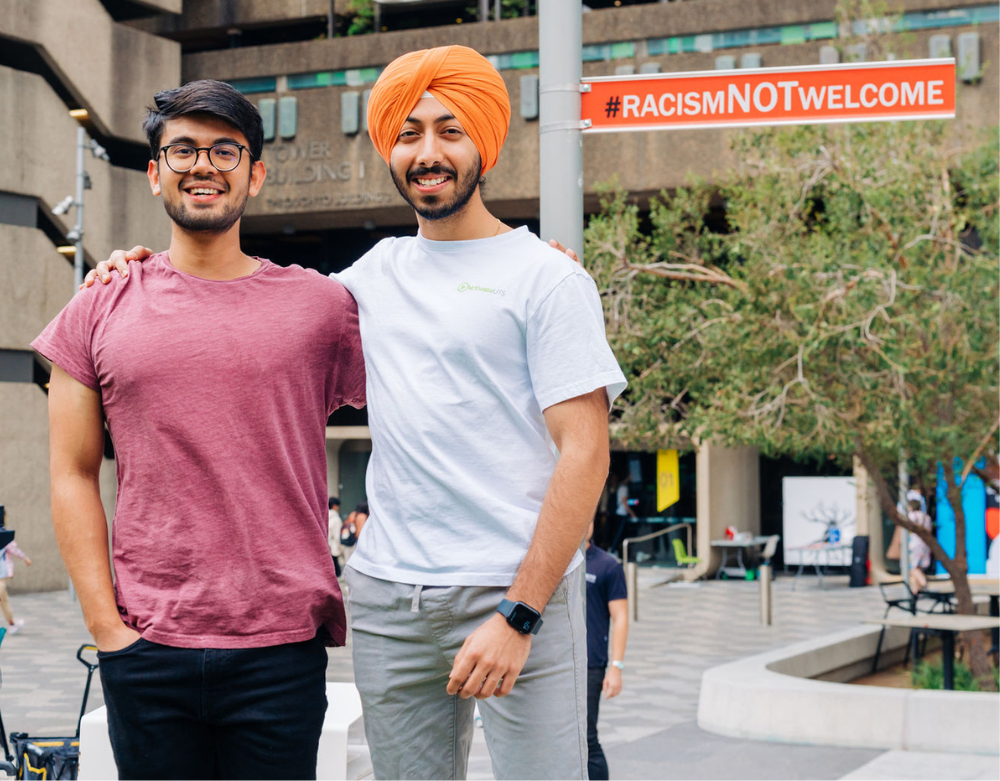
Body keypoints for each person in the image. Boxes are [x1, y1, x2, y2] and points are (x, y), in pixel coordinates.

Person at [83, 45, 626, 781]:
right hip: (387, 602)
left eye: (449, 130)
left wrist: (520, 613)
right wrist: (137, 272)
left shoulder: (548, 279)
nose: (427, 152)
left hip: (514, 593)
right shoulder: (366, 281)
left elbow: (585, 455)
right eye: (408, 134)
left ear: (486, 144)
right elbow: (246, 309)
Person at [32, 81, 366, 781]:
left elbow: (439, 370)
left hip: (281, 648)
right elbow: (69, 472)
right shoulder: (98, 307)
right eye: (181, 149)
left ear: (256, 173)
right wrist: (107, 631)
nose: (202, 164)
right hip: (146, 646)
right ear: (155, 174)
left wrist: (530, 266)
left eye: (224, 149)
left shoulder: (322, 307)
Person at [584, 521, 628, 781]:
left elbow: (620, 617)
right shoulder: (557, 562)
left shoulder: (607, 566)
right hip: (556, 663)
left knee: (587, 738)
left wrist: (616, 667)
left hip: (591, 665)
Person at [0, 512, 31, 637]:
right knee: (3, 600)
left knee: (3, 599)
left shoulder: (3, 534)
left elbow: (13, 549)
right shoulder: (3, 534)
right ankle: (12, 624)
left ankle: (12, 624)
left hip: (2, 574)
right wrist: (25, 558)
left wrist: (24, 558)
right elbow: (13, 548)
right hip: (2, 573)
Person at [609, 474, 636, 556]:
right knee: (619, 534)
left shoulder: (620, 487)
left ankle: (616, 551)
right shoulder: (623, 488)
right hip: (621, 514)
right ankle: (612, 551)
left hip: (620, 513)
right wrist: (632, 514)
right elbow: (624, 503)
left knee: (621, 534)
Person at [328, 497, 344, 576]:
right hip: (333, 548)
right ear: (335, 506)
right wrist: (341, 549)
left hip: (325, 546)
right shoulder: (336, 519)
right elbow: (337, 536)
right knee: (336, 572)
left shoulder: (324, 515)